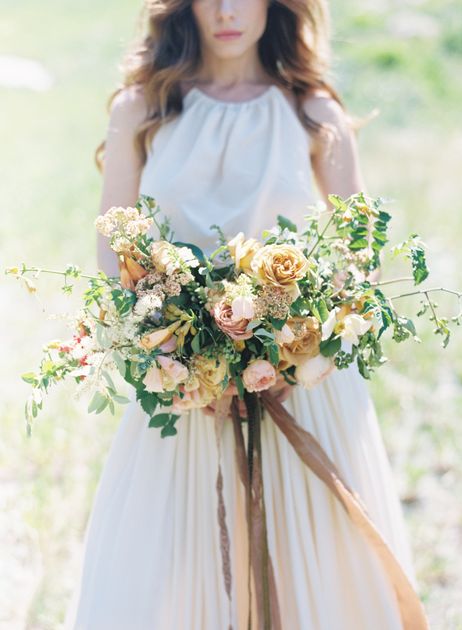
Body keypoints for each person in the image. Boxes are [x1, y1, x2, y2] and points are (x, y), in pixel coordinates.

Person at [64, 1, 424, 628]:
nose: (228, 11)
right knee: (173, 573)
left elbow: (357, 261)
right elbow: (111, 259)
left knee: (310, 565)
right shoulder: (142, 110)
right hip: (179, 392)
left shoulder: (312, 112)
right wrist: (178, 360)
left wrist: (295, 353)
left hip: (301, 386)